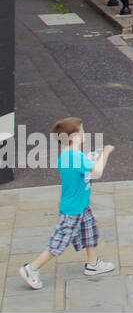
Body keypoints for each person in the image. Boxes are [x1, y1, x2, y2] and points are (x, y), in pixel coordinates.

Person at [18, 118, 116, 289]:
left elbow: (84, 170)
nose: (84, 134)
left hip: (81, 205)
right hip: (73, 209)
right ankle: (31, 269)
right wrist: (105, 152)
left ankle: (92, 265)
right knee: (59, 242)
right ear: (74, 137)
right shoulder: (74, 157)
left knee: (90, 231)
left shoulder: (68, 154)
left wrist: (91, 158)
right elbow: (97, 171)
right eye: (82, 131)